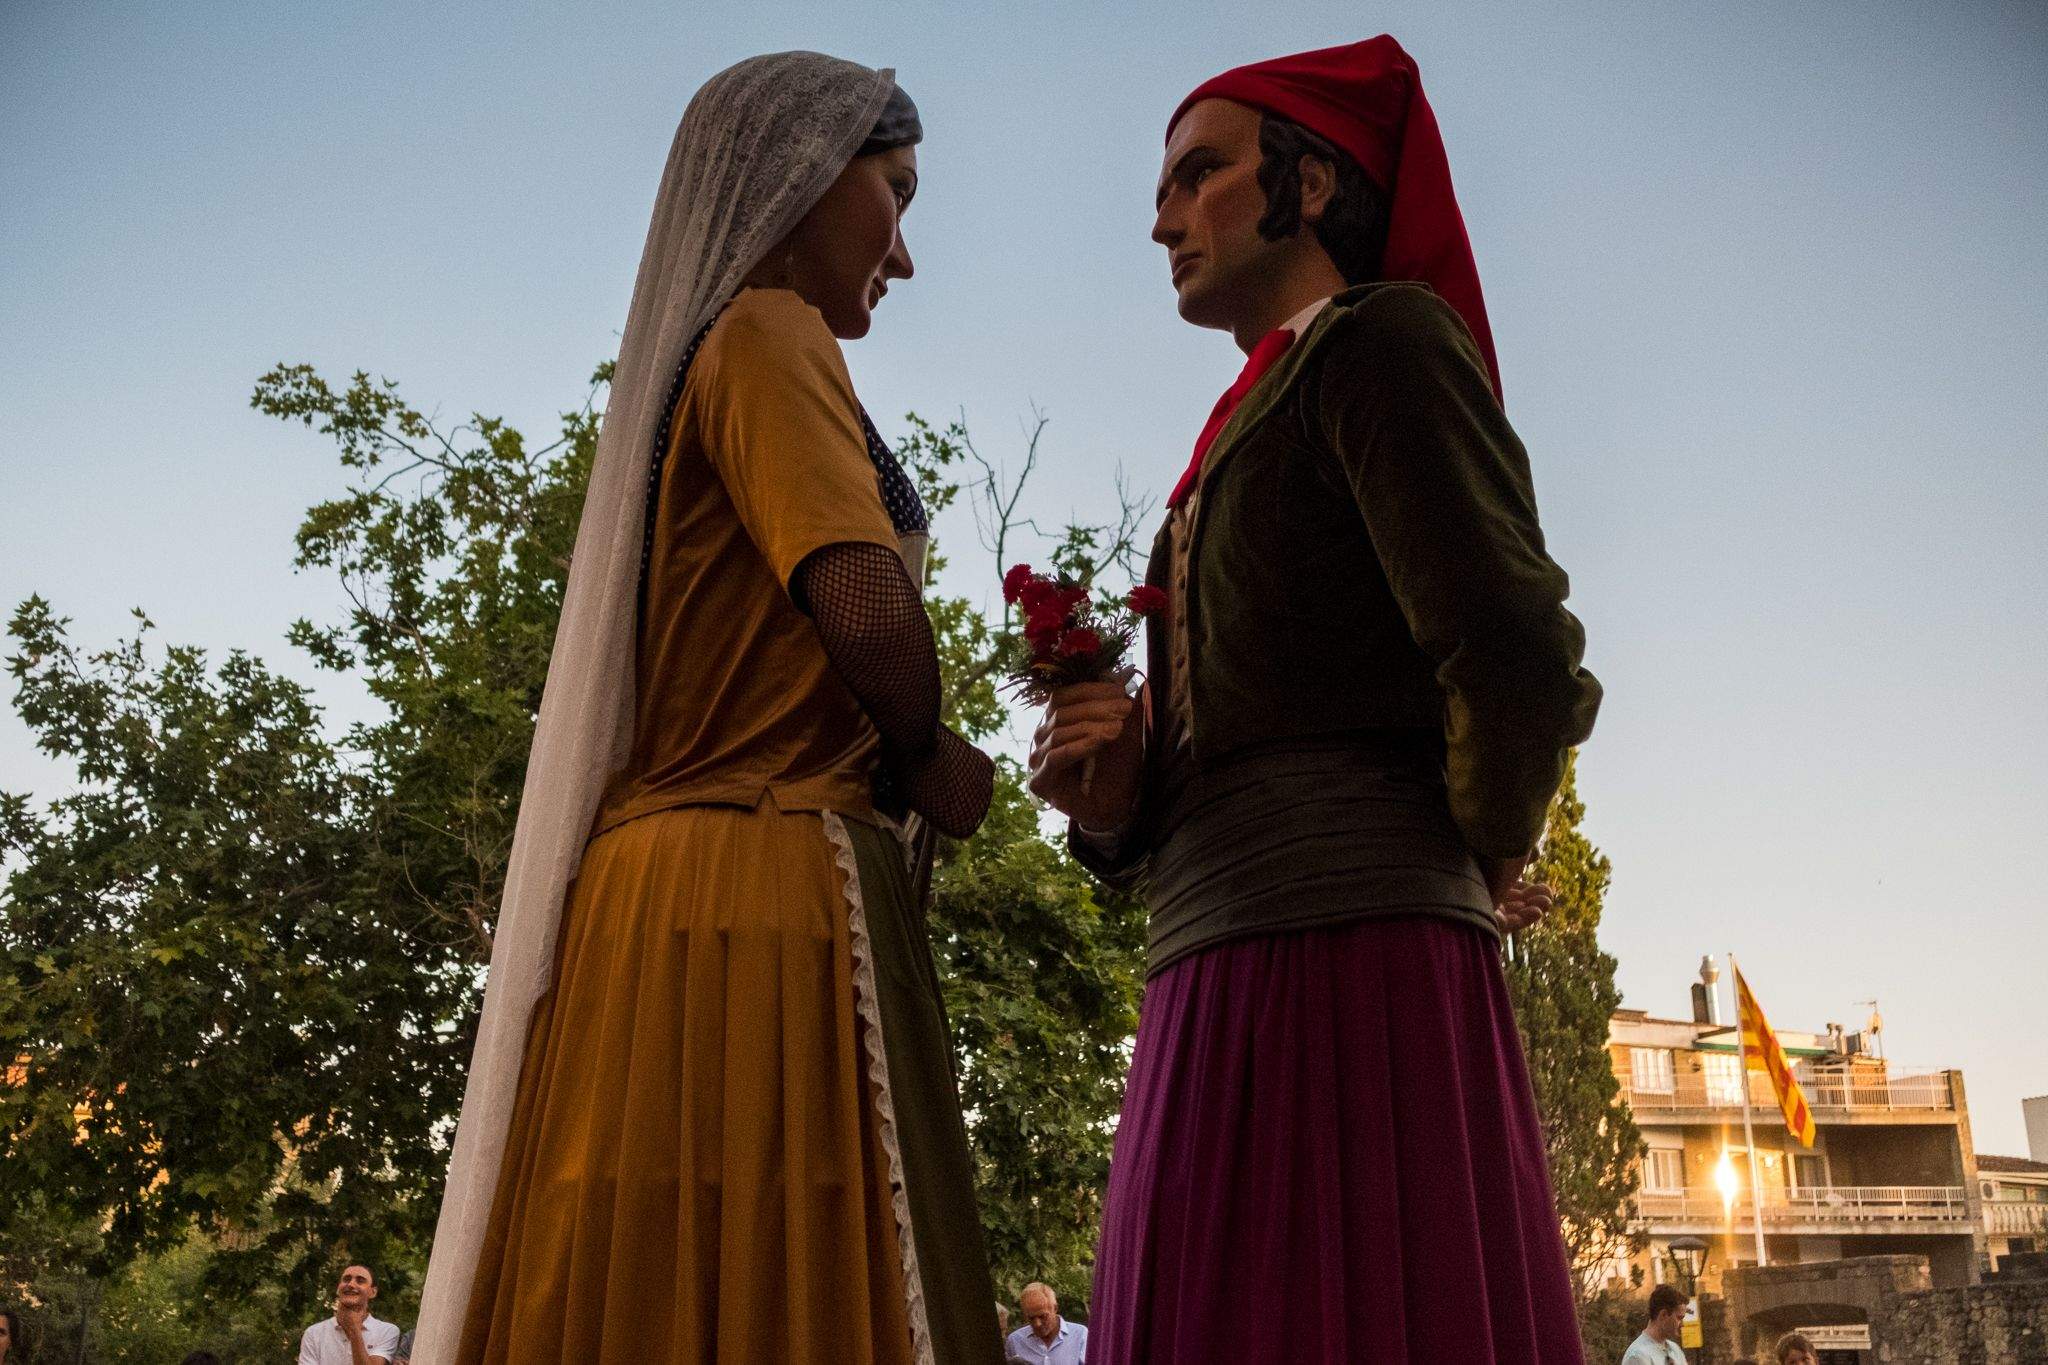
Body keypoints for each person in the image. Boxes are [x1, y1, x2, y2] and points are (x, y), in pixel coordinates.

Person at [409, 52, 1001, 1365]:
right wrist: (928, 752)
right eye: (894, 195)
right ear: (802, 174)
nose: (902, 254)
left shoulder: (720, 355)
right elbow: (858, 600)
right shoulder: (772, 329)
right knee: (779, 1295)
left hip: (665, 904)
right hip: (763, 897)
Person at [1029, 35, 1599, 1364]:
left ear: (1318, 184)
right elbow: (1217, 756)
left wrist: (1478, 839)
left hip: (1357, 976)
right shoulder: (1229, 434)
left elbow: (1510, 641)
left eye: (1200, 173)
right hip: (1206, 979)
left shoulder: (1379, 341)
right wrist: (1110, 804)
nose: (1163, 215)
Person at [297, 1265, 401, 1365]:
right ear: (338, 1289)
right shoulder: (313, 1333)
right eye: (346, 1279)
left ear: (373, 1292)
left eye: (360, 1281)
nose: (351, 1284)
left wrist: (355, 1330)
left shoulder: (387, 1331)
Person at [1003, 1283, 1086, 1363]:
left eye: (1042, 1316)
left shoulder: (1080, 1335)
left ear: (1055, 1308)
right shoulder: (1015, 1341)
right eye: (1031, 1318)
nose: (1037, 1324)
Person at [1620, 1285, 1689, 1364]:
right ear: (1663, 1315)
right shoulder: (1638, 1356)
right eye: (1679, 1318)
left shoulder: (1675, 1350)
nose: (1682, 1325)